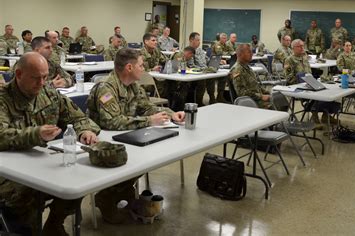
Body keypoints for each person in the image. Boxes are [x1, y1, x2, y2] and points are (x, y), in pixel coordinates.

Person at [0, 52, 99, 235]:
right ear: (19, 74)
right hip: (7, 173)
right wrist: (35, 134)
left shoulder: (48, 93)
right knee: (28, 193)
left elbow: (77, 116)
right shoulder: (3, 99)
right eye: (36, 78)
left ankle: (54, 224)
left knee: (80, 179)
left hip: (41, 164)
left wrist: (85, 130)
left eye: (45, 77)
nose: (42, 83)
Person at [87, 48, 184, 223]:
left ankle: (124, 192)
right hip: (105, 146)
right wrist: (148, 121)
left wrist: (170, 114)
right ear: (129, 68)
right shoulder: (106, 88)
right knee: (138, 161)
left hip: (128, 137)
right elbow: (112, 122)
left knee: (149, 158)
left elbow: (147, 107)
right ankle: (106, 198)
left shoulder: (133, 86)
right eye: (141, 65)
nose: (144, 68)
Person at [230, 44, 271, 108]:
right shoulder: (237, 70)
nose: (251, 54)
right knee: (275, 106)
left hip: (257, 99)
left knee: (279, 100)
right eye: (249, 52)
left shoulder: (247, 67)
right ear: (240, 54)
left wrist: (267, 93)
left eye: (251, 52)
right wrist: (261, 96)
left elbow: (256, 86)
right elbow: (241, 93)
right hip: (250, 102)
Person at [188, 32, 216, 104]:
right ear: (191, 40)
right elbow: (191, 65)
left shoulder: (200, 50)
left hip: (205, 70)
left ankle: (212, 98)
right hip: (197, 73)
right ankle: (199, 102)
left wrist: (215, 61)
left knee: (212, 77)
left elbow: (207, 59)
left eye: (199, 40)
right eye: (197, 40)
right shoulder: (189, 51)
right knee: (202, 80)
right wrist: (203, 69)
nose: (199, 42)